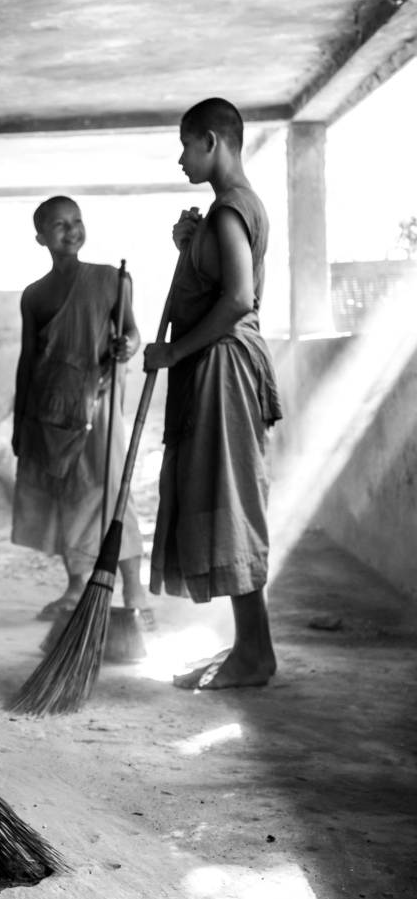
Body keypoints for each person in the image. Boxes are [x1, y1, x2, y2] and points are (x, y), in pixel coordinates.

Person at [143, 97, 282, 690]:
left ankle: (255, 653)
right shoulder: (226, 212)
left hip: (223, 369)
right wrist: (188, 248)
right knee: (224, 498)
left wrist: (174, 352)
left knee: (231, 500)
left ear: (211, 141)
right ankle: (250, 646)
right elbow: (214, 285)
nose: (181, 159)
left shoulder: (229, 212)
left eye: (185, 145)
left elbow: (238, 299)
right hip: (221, 369)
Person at [11, 196, 146, 619]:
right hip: (50, 409)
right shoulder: (34, 295)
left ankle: (134, 589)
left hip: (98, 404)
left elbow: (132, 332)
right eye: (59, 225)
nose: (71, 231)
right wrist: (19, 422)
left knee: (111, 488)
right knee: (66, 493)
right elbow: (27, 360)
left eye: (76, 221)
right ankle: (75, 586)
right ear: (40, 238)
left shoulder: (111, 279)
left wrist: (127, 347)